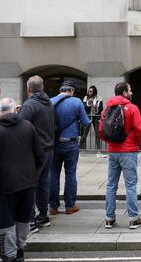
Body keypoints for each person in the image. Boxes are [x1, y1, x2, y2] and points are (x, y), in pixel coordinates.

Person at [0, 98, 44, 262]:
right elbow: (40, 156)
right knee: (23, 218)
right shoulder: (28, 126)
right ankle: (20, 249)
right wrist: (33, 176)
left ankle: (9, 255)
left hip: (4, 185)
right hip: (27, 182)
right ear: (15, 110)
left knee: (5, 220)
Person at [102, 82, 141, 230]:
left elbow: (102, 130)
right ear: (124, 93)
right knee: (131, 186)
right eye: (130, 90)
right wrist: (136, 142)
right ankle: (133, 218)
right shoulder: (132, 108)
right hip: (128, 152)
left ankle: (109, 218)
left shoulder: (107, 108)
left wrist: (110, 142)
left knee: (111, 185)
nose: (132, 93)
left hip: (113, 151)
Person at [18, 75, 55, 230]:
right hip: (48, 148)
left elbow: (20, 127)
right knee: (43, 183)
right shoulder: (48, 103)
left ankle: (31, 218)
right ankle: (43, 215)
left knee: (30, 184)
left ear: (28, 88)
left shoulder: (30, 105)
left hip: (34, 150)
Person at [50, 80, 90, 215]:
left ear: (60, 90)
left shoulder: (50, 101)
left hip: (54, 143)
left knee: (53, 174)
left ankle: (53, 207)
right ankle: (69, 205)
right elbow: (85, 122)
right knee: (70, 174)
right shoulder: (76, 102)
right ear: (72, 91)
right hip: (70, 143)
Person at [81, 85, 104, 155]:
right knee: (85, 133)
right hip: (88, 117)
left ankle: (98, 150)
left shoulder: (99, 98)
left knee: (97, 134)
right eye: (88, 91)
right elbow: (84, 108)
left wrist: (95, 105)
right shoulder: (86, 98)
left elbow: (101, 108)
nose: (89, 92)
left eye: (91, 91)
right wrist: (88, 104)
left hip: (96, 117)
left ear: (94, 92)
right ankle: (80, 149)